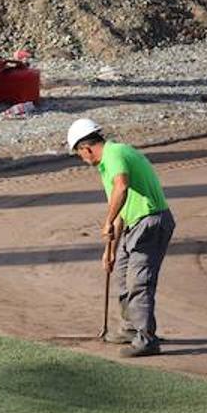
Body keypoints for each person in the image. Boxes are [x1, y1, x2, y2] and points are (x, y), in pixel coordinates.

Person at [67, 118, 175, 357]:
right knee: (123, 277)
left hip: (151, 222)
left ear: (86, 148)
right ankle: (130, 328)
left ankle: (147, 340)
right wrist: (110, 251)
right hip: (135, 224)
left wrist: (107, 220)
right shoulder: (108, 165)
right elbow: (119, 214)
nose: (81, 159)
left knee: (139, 282)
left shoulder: (114, 153)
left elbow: (122, 187)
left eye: (79, 153)